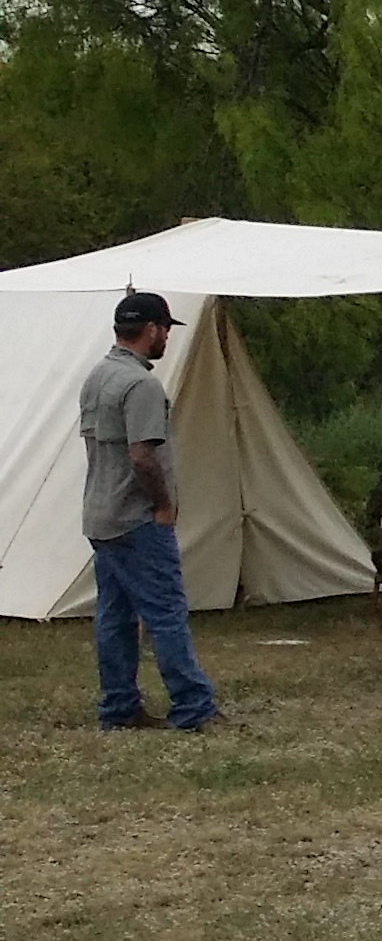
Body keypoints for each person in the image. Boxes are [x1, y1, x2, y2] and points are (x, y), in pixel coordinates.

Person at [80, 291, 214, 731]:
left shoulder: (98, 376)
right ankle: (192, 708)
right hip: (137, 518)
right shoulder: (141, 385)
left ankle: (118, 708)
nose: (165, 341)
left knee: (114, 617)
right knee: (165, 613)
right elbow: (142, 455)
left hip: (101, 514)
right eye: (164, 331)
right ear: (152, 329)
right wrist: (163, 504)